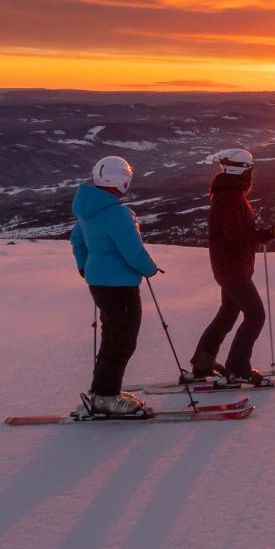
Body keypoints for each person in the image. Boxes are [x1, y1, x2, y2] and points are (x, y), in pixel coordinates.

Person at [187, 147, 275, 386]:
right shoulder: (231, 198)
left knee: (228, 314)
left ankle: (203, 363)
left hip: (229, 267)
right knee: (255, 315)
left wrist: (265, 233)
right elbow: (237, 236)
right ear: (243, 172)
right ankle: (238, 367)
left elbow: (236, 234)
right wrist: (269, 233)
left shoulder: (227, 195)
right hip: (233, 269)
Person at [70, 155, 161, 417]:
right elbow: (132, 251)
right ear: (121, 181)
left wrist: (85, 266)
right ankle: (107, 398)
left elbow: (78, 241)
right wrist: (150, 269)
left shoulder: (88, 210)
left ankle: (102, 392)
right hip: (120, 284)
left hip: (98, 281)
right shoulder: (116, 213)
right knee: (123, 340)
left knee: (112, 337)